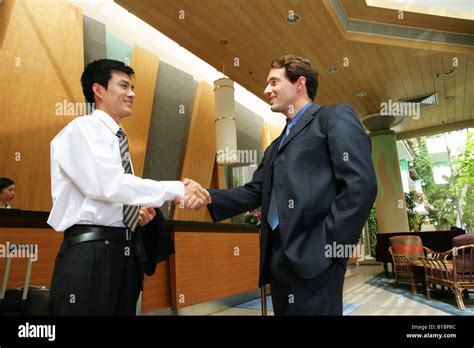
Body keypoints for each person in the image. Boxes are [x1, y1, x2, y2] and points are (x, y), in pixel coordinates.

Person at [206, 55, 377, 315]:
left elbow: (361, 186)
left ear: (300, 83)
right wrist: (208, 197)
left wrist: (326, 246)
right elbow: (255, 191)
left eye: (274, 82)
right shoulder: (275, 145)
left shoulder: (333, 118)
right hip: (278, 257)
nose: (266, 90)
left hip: (316, 256)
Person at [47, 59, 210, 315]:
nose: (131, 94)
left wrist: (136, 214)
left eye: (133, 87)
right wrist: (178, 189)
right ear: (98, 90)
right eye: (123, 85)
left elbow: (118, 192)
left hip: (125, 253)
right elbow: (107, 185)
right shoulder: (82, 129)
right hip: (91, 254)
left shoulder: (119, 140)